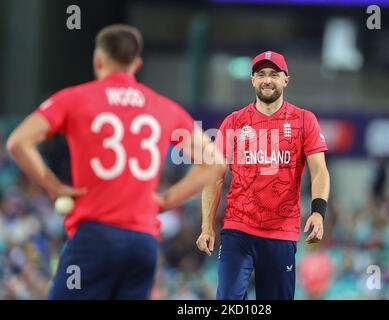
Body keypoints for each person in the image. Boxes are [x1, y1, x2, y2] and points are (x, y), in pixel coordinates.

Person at [6, 24, 223, 299]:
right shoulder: (164, 107)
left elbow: (18, 141)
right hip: (142, 245)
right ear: (137, 64)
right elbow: (215, 161)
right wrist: (167, 200)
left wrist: (53, 187)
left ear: (98, 60)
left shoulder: (74, 98)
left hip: (95, 237)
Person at [196, 51, 330, 300]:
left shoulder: (304, 120)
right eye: (261, 74)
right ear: (252, 80)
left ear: (286, 80)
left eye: (273, 74)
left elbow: (319, 170)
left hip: (280, 232)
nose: (267, 80)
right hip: (238, 228)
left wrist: (318, 212)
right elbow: (214, 177)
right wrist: (207, 226)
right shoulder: (234, 122)